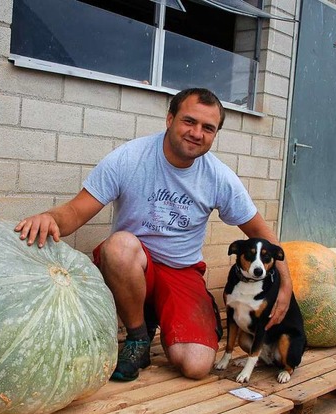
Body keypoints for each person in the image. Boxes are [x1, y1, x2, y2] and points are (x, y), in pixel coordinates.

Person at [15, 88, 293, 381]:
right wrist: (49, 218)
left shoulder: (218, 177)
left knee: (196, 365)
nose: (197, 133)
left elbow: (262, 232)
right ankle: (138, 338)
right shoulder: (129, 158)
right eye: (189, 121)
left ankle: (174, 315)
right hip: (136, 263)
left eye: (208, 128)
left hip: (181, 270)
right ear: (170, 119)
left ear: (214, 135)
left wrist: (285, 285)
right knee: (119, 246)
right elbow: (75, 212)